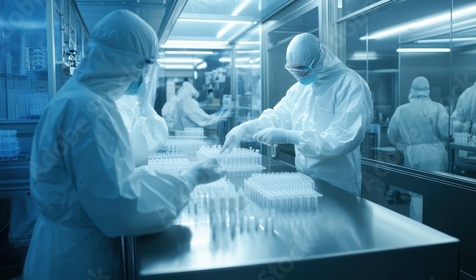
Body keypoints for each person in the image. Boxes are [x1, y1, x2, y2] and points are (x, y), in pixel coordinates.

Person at [23, 10, 225, 280]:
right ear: (124, 62)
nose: (141, 77)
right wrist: (189, 179)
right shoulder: (89, 110)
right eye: (142, 66)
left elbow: (104, 181)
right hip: (75, 260)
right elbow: (120, 207)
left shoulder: (75, 98)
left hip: (61, 248)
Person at [221, 33, 373, 196]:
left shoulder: (350, 84)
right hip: (304, 179)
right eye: (294, 70)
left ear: (319, 60)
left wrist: (292, 137)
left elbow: (341, 140)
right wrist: (246, 128)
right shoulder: (299, 89)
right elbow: (277, 118)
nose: (299, 75)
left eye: (302, 69)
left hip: (338, 183)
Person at [387, 76, 449, 222]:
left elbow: (392, 134)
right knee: (437, 193)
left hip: (413, 154)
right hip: (436, 154)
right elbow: (446, 132)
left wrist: (403, 146)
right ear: (428, 90)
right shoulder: (438, 108)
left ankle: (419, 230)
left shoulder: (402, 110)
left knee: (417, 194)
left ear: (412, 90)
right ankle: (438, 231)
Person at [162, 81, 230, 131]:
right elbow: (205, 119)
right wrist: (224, 114)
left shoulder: (173, 102)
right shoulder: (187, 102)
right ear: (189, 94)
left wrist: (221, 112)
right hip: (188, 135)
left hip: (179, 134)